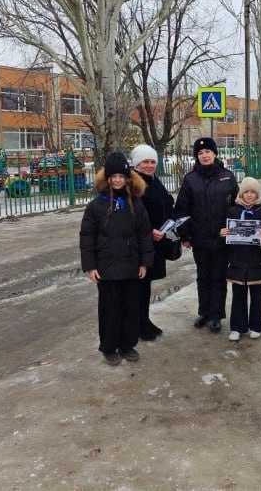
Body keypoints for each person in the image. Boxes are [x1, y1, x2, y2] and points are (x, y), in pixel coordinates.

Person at [79, 152, 154, 365]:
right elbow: (87, 237)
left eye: (122, 176)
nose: (118, 180)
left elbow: (144, 234)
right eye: (114, 176)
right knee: (110, 310)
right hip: (107, 267)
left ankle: (127, 344)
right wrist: (90, 266)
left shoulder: (136, 204)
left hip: (131, 265)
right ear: (108, 178)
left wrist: (144, 262)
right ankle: (109, 346)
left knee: (131, 308)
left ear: (128, 178)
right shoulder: (96, 206)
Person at [174, 137, 239, 333]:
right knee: (203, 277)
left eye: (208, 152)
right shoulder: (190, 179)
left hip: (222, 239)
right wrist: (184, 235)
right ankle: (203, 312)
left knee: (219, 277)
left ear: (214, 154)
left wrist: (233, 231)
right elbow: (182, 209)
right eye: (200, 153)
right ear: (197, 156)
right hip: (200, 238)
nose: (204, 155)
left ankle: (216, 315)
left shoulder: (228, 177)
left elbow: (237, 207)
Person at [130, 144, 175, 341]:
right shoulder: (132, 183)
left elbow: (166, 202)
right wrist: (149, 232)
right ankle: (136, 325)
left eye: (152, 162)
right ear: (136, 164)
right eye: (145, 162)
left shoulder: (154, 181)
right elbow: (129, 216)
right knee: (138, 284)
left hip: (156, 242)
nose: (149, 165)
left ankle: (144, 320)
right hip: (138, 245)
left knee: (146, 284)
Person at [219, 177, 261, 341]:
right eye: (246, 192)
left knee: (256, 296)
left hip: (257, 262)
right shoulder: (232, 212)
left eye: (253, 192)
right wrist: (223, 234)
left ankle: (256, 326)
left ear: (257, 194)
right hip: (237, 261)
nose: (249, 195)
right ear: (241, 193)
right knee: (238, 295)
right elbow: (226, 237)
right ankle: (237, 327)